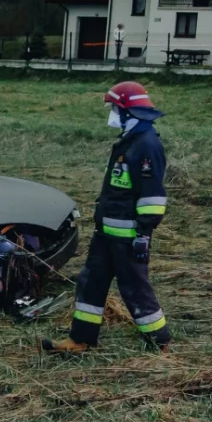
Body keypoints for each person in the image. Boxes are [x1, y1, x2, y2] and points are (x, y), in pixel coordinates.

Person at [42, 81, 171, 353]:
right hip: (106, 235)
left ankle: (161, 342)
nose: (111, 114)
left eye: (114, 108)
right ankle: (80, 340)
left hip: (128, 238)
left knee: (135, 289)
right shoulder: (130, 142)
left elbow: (153, 198)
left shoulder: (146, 146)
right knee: (90, 282)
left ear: (127, 111)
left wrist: (143, 236)